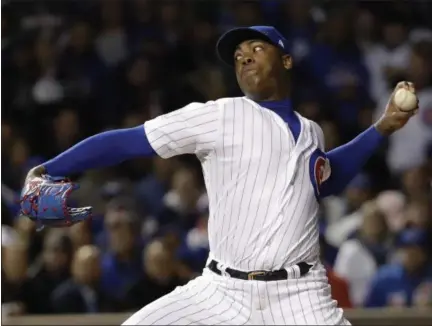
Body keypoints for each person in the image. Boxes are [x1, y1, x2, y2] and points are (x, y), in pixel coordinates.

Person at [22, 26, 418, 325]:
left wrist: (382, 127)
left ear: (286, 60)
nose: (243, 57)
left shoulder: (311, 130)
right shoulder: (221, 115)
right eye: (238, 55)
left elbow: (327, 179)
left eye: (256, 48)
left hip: (301, 296)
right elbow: (128, 142)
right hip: (220, 291)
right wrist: (48, 169)